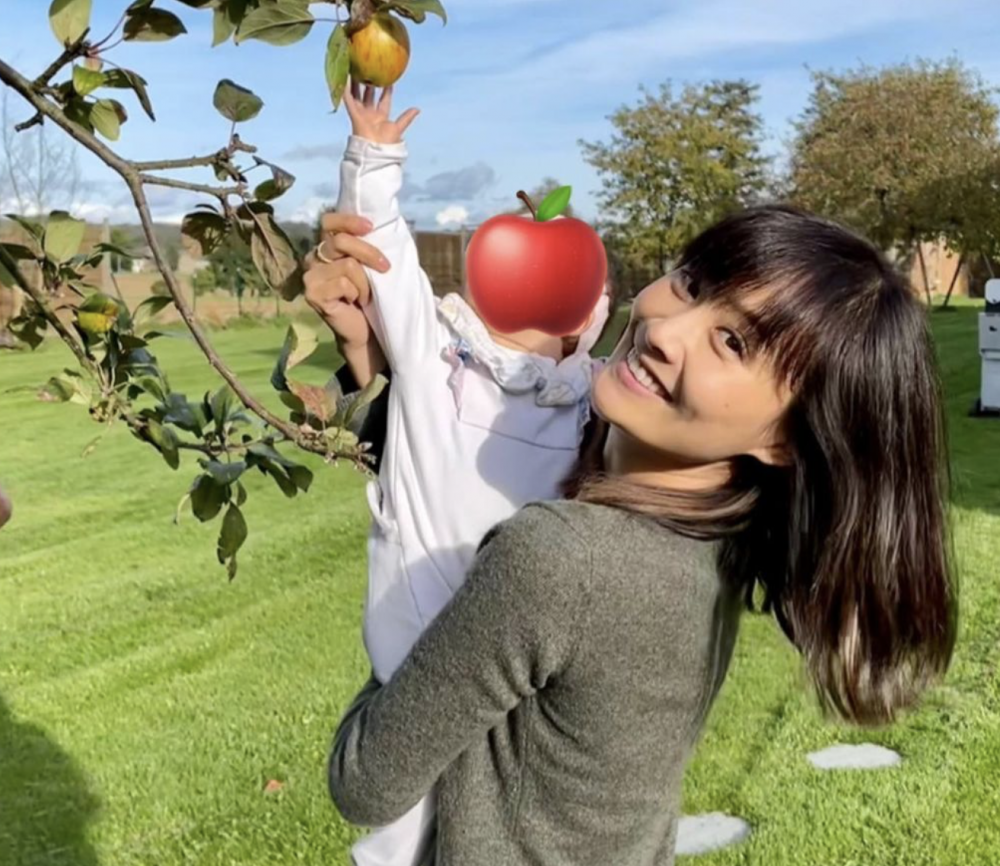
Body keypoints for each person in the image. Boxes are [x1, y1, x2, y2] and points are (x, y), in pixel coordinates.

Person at [322, 201, 957, 866]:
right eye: (691, 281)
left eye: (734, 341)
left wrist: (418, 547)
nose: (665, 329)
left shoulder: (563, 561)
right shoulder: (715, 540)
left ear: (785, 439)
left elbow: (366, 780)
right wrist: (372, 363)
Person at [303, 80, 614, 866]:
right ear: (588, 312)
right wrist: (371, 155)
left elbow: (387, 254)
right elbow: (380, 258)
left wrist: (373, 157)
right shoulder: (582, 399)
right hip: (474, 671)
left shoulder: (462, 366)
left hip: (444, 654)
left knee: (425, 821)